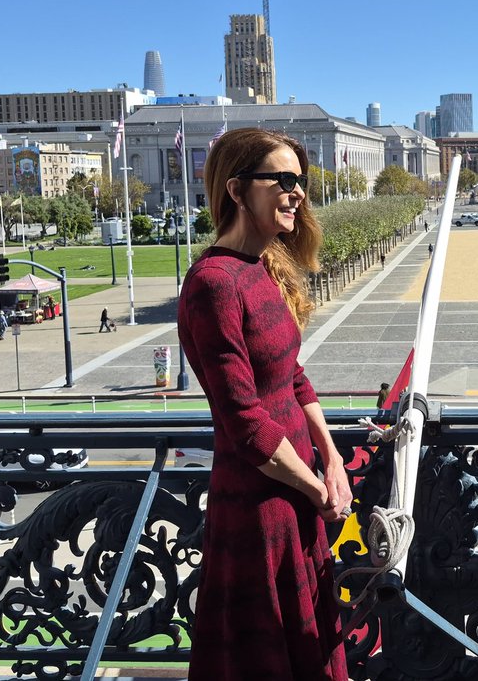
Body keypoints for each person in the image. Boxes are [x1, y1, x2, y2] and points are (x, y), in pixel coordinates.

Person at [178, 128, 350, 680]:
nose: (297, 192)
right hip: (258, 511)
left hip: (298, 494)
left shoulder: (265, 268)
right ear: (235, 189)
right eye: (282, 179)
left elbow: (292, 378)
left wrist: (333, 459)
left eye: (300, 180)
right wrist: (316, 485)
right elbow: (245, 421)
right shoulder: (213, 283)